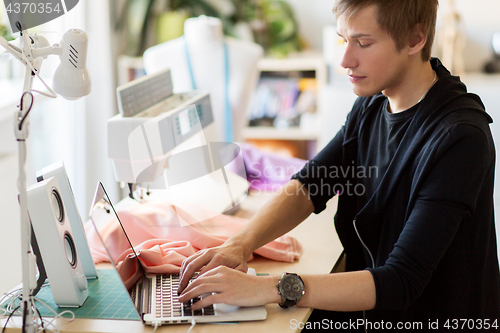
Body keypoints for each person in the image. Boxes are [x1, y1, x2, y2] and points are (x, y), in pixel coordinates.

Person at [177, 0, 500, 330]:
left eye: (363, 42)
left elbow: (401, 281)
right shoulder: (373, 103)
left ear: (415, 39)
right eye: (343, 40)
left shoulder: (460, 138)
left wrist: (268, 288)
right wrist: (238, 245)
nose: (346, 60)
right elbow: (310, 185)